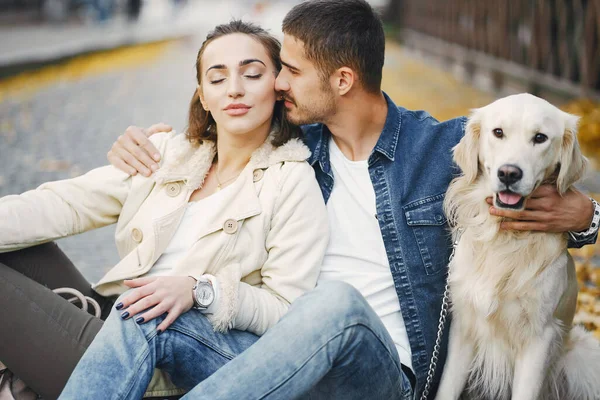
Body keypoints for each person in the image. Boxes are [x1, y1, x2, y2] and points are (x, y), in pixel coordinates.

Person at [105, 1, 600, 398]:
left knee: (336, 303)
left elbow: (524, 149)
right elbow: (221, 120)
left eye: (291, 71)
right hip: (280, 360)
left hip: (381, 376)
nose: (278, 84)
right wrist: (152, 147)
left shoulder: (442, 149)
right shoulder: (291, 149)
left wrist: (586, 215)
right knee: (138, 310)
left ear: (342, 80)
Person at [0, 20, 328, 400]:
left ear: (277, 86)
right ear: (203, 96)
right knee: (20, 243)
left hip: (158, 362)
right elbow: (64, 204)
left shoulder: (291, 180)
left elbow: (288, 310)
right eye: (217, 78)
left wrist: (202, 290)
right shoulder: (170, 155)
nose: (235, 89)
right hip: (108, 320)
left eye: (252, 74)